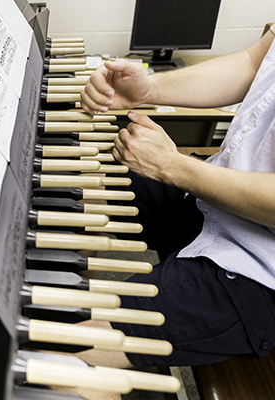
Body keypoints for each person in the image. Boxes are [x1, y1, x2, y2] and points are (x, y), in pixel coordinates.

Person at [71, 23, 275, 376]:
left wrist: (174, 166)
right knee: (81, 191)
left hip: (259, 269)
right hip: (215, 207)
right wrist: (149, 88)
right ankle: (65, 298)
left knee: (61, 350)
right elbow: (255, 63)